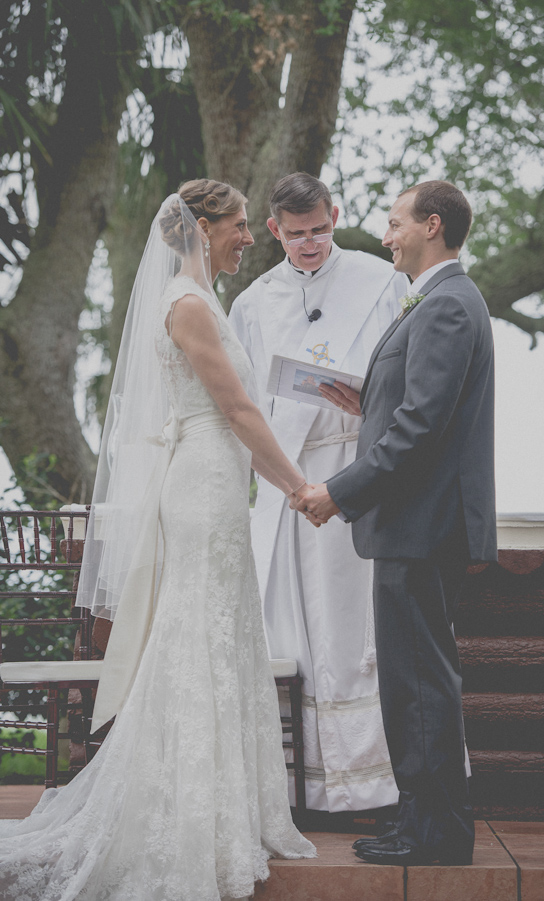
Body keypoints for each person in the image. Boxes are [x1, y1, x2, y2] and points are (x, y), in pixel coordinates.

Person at [0, 179, 316, 901]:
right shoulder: (186, 304)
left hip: (218, 481)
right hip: (204, 480)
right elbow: (234, 407)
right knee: (197, 634)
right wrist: (297, 486)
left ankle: (228, 806)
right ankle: (184, 813)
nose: (249, 236)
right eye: (240, 225)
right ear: (203, 229)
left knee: (221, 633)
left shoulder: (205, 300)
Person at [295, 181, 497, 865]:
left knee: (420, 681)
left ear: (430, 225)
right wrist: (367, 395)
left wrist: (338, 492)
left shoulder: (444, 305)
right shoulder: (442, 301)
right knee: (412, 678)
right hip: (418, 524)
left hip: (421, 524)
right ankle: (420, 819)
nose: (385, 236)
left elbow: (419, 428)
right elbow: (411, 405)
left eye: (394, 222)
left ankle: (436, 834)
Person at [229, 172, 409, 813]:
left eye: (320, 231)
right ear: (274, 230)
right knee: (292, 636)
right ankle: (300, 789)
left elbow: (414, 390)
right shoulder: (251, 304)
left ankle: (373, 788)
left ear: (335, 216)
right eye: (296, 235)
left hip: (356, 477)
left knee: (352, 634)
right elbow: (241, 401)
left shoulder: (383, 283)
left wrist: (369, 402)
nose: (310, 245)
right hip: (287, 488)